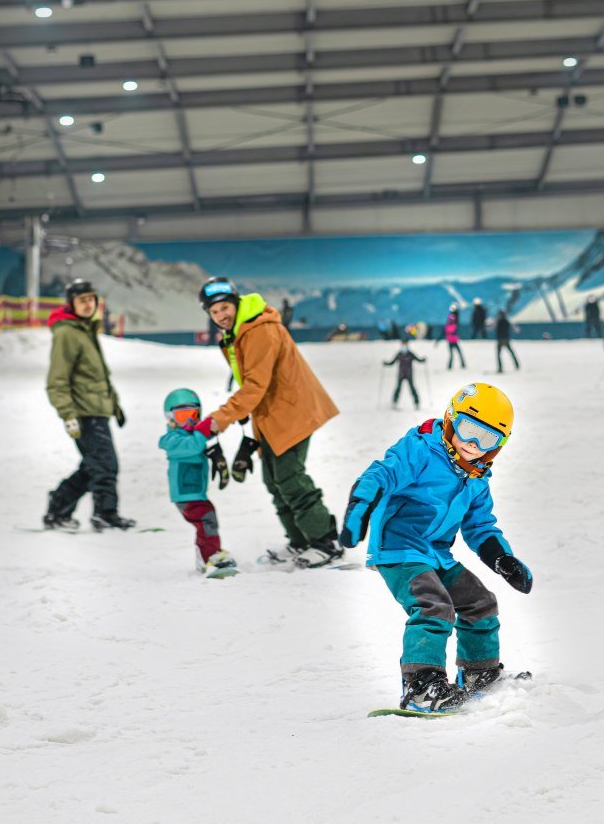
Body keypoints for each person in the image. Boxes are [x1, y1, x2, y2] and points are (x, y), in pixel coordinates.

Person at [338, 382, 533, 714]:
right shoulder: (420, 450)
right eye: (468, 430)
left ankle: (478, 673)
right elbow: (380, 475)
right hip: (398, 550)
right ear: (450, 419)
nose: (473, 444)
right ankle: (420, 685)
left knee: (480, 603)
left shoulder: (476, 478)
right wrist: (360, 507)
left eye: (486, 439)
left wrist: (502, 558)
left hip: (436, 554)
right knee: (433, 606)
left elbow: (480, 526)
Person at [194, 276, 343, 568]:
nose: (221, 315)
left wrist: (218, 420)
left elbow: (254, 386)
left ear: (236, 304)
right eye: (214, 312)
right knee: (274, 480)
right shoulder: (239, 332)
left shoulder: (258, 330)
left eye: (225, 307)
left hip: (291, 411)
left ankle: (326, 542)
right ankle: (300, 540)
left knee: (290, 478)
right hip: (272, 414)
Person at [43, 279, 132, 532]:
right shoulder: (67, 334)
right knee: (105, 465)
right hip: (84, 413)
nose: (88, 304)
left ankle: (58, 507)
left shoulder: (84, 329)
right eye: (82, 301)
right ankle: (105, 514)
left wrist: (114, 406)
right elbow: (57, 380)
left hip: (97, 409)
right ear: (71, 304)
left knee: (93, 465)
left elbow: (98, 374)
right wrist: (68, 414)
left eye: (91, 300)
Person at [158, 388, 238, 578]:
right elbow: (194, 444)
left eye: (194, 415)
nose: (189, 421)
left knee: (207, 520)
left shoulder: (192, 434)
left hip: (195, 492)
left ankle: (210, 553)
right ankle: (209, 556)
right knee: (206, 518)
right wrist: (202, 431)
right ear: (170, 417)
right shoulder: (172, 440)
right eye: (182, 415)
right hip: (185, 493)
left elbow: (206, 432)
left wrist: (223, 421)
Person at [385, 339, 425, 409]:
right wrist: (386, 364)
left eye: (405, 344)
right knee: (398, 388)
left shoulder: (410, 354)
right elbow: (392, 362)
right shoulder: (399, 354)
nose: (404, 346)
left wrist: (423, 360)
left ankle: (417, 403)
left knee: (412, 388)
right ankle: (394, 402)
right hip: (401, 374)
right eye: (403, 344)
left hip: (409, 374)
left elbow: (419, 360)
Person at [494, 308, 519, 373]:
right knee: (511, 353)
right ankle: (517, 365)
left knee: (499, 355)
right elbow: (513, 328)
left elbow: (494, 328)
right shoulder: (506, 321)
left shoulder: (499, 321)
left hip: (500, 340)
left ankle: (500, 368)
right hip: (506, 339)